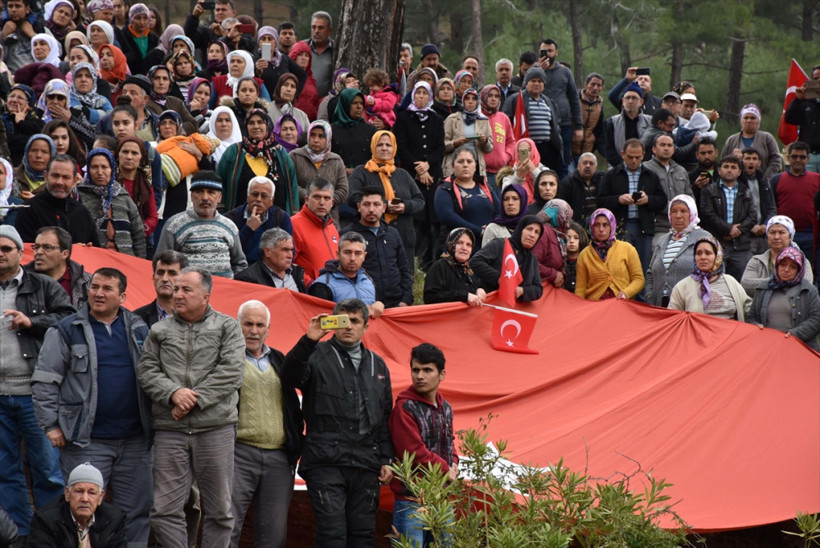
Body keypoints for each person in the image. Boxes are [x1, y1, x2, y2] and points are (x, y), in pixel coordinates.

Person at [32, 267, 152, 546]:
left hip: (136, 440)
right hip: (86, 441)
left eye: (107, 288)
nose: (98, 293)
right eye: (94, 287)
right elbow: (45, 381)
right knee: (81, 512)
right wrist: (50, 425)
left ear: (123, 296)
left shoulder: (139, 328)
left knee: (136, 512)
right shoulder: (65, 329)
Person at [138, 267, 245, 547]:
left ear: (206, 297)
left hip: (215, 429)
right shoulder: (159, 330)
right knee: (163, 510)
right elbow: (147, 370)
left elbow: (231, 372)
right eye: (176, 289)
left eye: (186, 289)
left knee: (220, 511)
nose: (178, 294)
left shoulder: (227, 326)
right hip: (169, 430)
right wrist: (173, 393)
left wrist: (190, 401)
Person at [280, 299, 393, 547]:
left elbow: (385, 417)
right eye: (343, 320)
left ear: (365, 327)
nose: (348, 327)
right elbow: (288, 376)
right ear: (333, 323)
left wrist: (386, 459)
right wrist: (309, 339)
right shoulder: (315, 354)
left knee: (363, 537)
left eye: (355, 321)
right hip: (325, 461)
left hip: (366, 462)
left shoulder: (378, 365)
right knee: (332, 534)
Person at [0, 225, 73, 541]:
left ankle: (51, 536)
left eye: (6, 248)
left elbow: (70, 321)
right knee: (5, 473)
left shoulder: (44, 285)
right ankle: (20, 537)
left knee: (48, 472)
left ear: (20, 252)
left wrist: (32, 323)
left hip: (36, 395)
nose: (0, 254)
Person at [230, 300, 303, 548]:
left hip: (279, 459)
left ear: (268, 329)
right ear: (237, 326)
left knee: (273, 535)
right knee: (226, 527)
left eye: (260, 325)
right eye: (248, 324)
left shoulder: (281, 361)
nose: (253, 330)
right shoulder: (226, 359)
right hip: (237, 454)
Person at [389, 343, 458, 547]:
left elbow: (449, 441)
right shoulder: (404, 407)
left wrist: (454, 461)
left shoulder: (445, 407)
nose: (420, 376)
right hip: (411, 501)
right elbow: (413, 452)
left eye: (427, 370)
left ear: (441, 374)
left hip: (442, 499)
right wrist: (446, 469)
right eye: (415, 369)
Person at [347, 130, 425, 267]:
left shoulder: (402, 174)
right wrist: (384, 206)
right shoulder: (362, 172)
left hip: (403, 235)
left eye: (388, 145)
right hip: (371, 234)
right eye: (380, 145)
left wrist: (404, 206)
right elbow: (353, 198)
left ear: (394, 148)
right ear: (373, 147)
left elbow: (420, 200)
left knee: (404, 277)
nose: (384, 148)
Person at [155, 170, 248, 278]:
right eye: (199, 192)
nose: (205, 197)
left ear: (219, 197)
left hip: (225, 292)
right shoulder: (174, 225)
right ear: (191, 196)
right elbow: (161, 264)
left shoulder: (230, 226)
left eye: (211, 192)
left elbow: (240, 265)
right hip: (187, 292)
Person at [393, 81, 445, 269]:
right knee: (416, 219)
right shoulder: (404, 117)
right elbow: (401, 146)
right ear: (413, 95)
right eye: (418, 93)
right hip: (411, 176)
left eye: (425, 93)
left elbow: (440, 147)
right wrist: (419, 168)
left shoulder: (437, 119)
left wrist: (428, 165)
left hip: (433, 176)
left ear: (430, 96)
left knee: (434, 220)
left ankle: (432, 263)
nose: (421, 96)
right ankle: (413, 263)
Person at [596, 138, 667, 271]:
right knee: (620, 266)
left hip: (644, 227)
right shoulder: (611, 175)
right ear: (623, 154)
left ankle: (642, 292)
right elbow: (600, 201)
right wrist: (618, 199)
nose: (634, 161)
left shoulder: (651, 176)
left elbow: (662, 201)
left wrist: (648, 200)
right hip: (620, 226)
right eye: (630, 157)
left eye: (637, 157)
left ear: (643, 155)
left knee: (643, 267)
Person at [216, 108, 299, 214]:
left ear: (267, 125)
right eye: (251, 123)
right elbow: (219, 183)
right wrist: (222, 212)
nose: (256, 126)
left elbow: (293, 188)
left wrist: (293, 214)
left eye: (260, 122)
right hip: (238, 223)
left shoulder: (281, 153)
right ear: (246, 126)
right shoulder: (234, 152)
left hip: (276, 224)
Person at [27, 463, 127, 548]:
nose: (85, 499)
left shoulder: (114, 519)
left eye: (91, 493)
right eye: (79, 491)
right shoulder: (45, 520)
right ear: (67, 493)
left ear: (100, 497)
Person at [343, 187, 413, 308]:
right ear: (359, 207)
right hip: (365, 306)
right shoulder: (347, 235)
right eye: (366, 204)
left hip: (397, 304)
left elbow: (404, 269)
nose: (371, 209)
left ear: (384, 208)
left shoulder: (393, 233)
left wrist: (406, 299)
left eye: (376, 204)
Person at [15, 154, 100, 246]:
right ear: (46, 176)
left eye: (66, 177)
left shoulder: (82, 213)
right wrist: (71, 251)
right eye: (55, 176)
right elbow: (26, 251)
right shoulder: (29, 210)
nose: (59, 182)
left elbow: (95, 249)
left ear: (75, 181)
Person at [644, 195, 713, 307]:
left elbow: (715, 270)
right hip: (659, 306)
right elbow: (650, 273)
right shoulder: (662, 241)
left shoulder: (704, 238)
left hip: (691, 306)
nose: (678, 216)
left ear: (692, 213)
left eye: (683, 211)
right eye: (674, 211)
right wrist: (649, 296)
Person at [76, 147, 147, 257]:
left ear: (112, 169)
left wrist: (140, 262)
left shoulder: (123, 196)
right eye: (94, 167)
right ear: (88, 170)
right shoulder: (79, 195)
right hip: (93, 259)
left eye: (104, 167)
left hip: (126, 259)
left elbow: (138, 234)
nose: (100, 172)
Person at [748, 247, 820, 351]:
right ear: (777, 265)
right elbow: (751, 317)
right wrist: (756, 326)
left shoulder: (808, 290)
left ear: (799, 270)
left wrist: (795, 334)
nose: (786, 270)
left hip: (800, 348)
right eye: (783, 264)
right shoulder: (763, 287)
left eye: (793, 267)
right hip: (768, 348)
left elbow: (817, 319)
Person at [698, 155, 756, 280]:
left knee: (743, 283)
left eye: (733, 167)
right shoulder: (708, 191)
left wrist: (736, 231)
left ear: (739, 172)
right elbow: (707, 214)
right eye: (726, 166)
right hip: (717, 243)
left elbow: (752, 216)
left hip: (741, 246)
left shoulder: (746, 191)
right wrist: (728, 229)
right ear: (719, 170)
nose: (729, 170)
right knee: (715, 281)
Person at [669, 236, 750, 321]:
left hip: (731, 333)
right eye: (698, 253)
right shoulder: (682, 287)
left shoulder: (731, 282)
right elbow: (672, 319)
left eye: (708, 253)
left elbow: (748, 310)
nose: (703, 257)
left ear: (717, 256)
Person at [769, 141, 820, 274]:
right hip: (784, 235)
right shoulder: (776, 179)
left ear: (808, 159)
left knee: (808, 271)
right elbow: (771, 206)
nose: (798, 160)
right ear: (788, 158)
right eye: (794, 156)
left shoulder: (817, 179)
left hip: (810, 233)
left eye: (802, 157)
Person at [307, 232, 385, 317]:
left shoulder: (368, 281)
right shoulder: (322, 285)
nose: (352, 258)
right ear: (338, 254)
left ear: (364, 256)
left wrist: (379, 304)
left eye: (358, 253)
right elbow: (318, 322)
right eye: (347, 252)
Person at [501, 67, 563, 174]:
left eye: (539, 81)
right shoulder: (515, 99)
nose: (536, 84)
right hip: (525, 149)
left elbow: (556, 126)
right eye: (533, 81)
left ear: (544, 84)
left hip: (547, 149)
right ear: (526, 83)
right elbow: (506, 123)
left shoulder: (550, 102)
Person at [535, 38, 582, 176]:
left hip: (564, 124)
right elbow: (525, 91)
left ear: (556, 52)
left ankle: (561, 194)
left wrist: (578, 126)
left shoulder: (565, 72)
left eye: (550, 50)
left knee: (563, 162)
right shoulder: (535, 71)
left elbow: (574, 98)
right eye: (544, 51)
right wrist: (539, 70)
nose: (548, 54)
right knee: (541, 163)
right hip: (541, 125)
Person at [470, 215, 544, 302]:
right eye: (529, 229)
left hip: (513, 309)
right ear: (520, 229)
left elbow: (538, 289)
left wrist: (522, 291)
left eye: (537, 232)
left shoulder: (532, 259)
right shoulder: (500, 244)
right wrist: (498, 278)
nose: (532, 235)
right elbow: (475, 262)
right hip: (489, 303)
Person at [575, 208, 645, 300]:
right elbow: (580, 290)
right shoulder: (584, 255)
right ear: (591, 226)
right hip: (595, 307)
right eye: (597, 225)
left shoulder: (628, 249)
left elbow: (639, 279)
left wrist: (626, 293)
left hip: (622, 306)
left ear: (612, 226)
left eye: (605, 225)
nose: (601, 229)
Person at [434, 146, 499, 244]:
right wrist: (479, 231)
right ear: (453, 166)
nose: (465, 165)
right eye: (460, 162)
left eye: (469, 161)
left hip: (489, 243)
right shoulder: (445, 189)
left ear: (475, 165)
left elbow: (499, 211)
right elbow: (448, 216)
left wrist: (491, 228)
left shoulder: (485, 186)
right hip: (460, 245)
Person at [290, 120, 349, 227]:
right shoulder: (295, 156)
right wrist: (312, 199)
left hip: (330, 221)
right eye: (313, 135)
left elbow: (343, 190)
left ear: (328, 139)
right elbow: (290, 184)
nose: (316, 140)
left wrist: (325, 202)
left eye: (321, 136)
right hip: (300, 217)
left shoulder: (336, 160)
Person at [224, 176, 292, 265]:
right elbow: (229, 252)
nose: (259, 199)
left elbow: (288, 252)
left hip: (270, 270)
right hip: (241, 270)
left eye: (264, 196)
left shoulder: (281, 218)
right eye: (255, 194)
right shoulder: (231, 218)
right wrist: (248, 229)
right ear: (247, 196)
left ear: (272, 201)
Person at [741, 216, 814, 296]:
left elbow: (805, 286)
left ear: (790, 236)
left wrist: (769, 285)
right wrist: (781, 282)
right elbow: (746, 284)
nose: (776, 237)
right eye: (772, 232)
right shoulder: (757, 260)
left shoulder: (802, 261)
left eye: (781, 232)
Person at [642, 134, 694, 245]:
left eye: (669, 145)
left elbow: (690, 199)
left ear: (673, 149)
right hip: (657, 227)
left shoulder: (681, 170)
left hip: (683, 227)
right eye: (662, 145)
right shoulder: (646, 169)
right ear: (654, 149)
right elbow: (646, 200)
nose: (666, 148)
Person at [25, 226, 92, 309]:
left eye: (47, 247)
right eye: (36, 247)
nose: (38, 252)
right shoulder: (20, 279)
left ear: (64, 254)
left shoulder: (86, 282)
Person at [291, 178, 340, 281]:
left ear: (331, 203)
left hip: (333, 292)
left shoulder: (332, 227)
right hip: (309, 293)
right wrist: (311, 286)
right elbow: (287, 264)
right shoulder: (294, 224)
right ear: (307, 200)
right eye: (317, 197)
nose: (322, 203)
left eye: (326, 198)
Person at [423, 227, 486, 305]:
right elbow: (430, 297)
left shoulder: (469, 269)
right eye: (459, 242)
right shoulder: (440, 266)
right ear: (451, 244)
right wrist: (464, 296)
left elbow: (475, 287)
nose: (464, 248)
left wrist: (479, 289)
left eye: (469, 244)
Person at [235, 227, 306, 292]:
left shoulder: (298, 272)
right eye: (285, 250)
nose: (290, 255)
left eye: (291, 250)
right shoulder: (247, 280)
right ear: (268, 252)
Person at [721, 103, 781, 180]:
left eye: (753, 118)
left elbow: (776, 160)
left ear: (758, 121)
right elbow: (723, 160)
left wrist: (765, 178)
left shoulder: (767, 138)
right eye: (746, 118)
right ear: (741, 120)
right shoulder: (731, 140)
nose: (749, 121)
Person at [134, 249, 188, 326]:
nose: (165, 279)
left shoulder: (198, 317)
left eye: (172, 273)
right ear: (153, 277)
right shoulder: (136, 319)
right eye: (160, 273)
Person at [603, 82, 651, 168]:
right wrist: (624, 165)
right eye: (627, 98)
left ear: (641, 102)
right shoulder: (612, 122)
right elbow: (609, 150)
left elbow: (651, 147)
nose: (630, 101)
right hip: (617, 167)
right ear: (623, 101)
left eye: (634, 98)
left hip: (645, 167)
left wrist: (640, 164)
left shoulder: (650, 122)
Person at [331, 88, 377, 177]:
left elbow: (376, 157)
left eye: (361, 103)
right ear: (345, 104)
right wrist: (344, 170)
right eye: (355, 103)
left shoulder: (370, 130)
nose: (359, 107)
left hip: (366, 177)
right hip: (338, 177)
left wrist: (360, 171)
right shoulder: (331, 130)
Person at [784, 65, 820, 173]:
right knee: (809, 187)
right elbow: (790, 118)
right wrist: (797, 100)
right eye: (816, 79)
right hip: (808, 156)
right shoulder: (806, 102)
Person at [480, 84, 516, 188]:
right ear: (483, 97)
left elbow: (511, 141)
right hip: (483, 172)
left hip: (501, 173)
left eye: (496, 96)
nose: (493, 99)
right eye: (490, 95)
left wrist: (507, 156)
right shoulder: (477, 117)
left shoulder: (503, 117)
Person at [2, 84, 45, 166]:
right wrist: (32, 140)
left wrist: (21, 122)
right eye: (12, 96)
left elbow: (43, 135)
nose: (14, 100)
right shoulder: (2, 120)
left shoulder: (37, 121)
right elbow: (8, 141)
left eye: (20, 98)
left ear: (29, 104)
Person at [533, 198, 571, 288]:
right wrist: (553, 275)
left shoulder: (559, 235)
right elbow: (533, 262)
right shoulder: (544, 232)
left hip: (551, 288)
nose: (567, 222)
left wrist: (562, 275)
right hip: (541, 289)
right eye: (565, 214)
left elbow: (560, 264)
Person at [559, 152, 603, 224]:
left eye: (591, 163)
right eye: (585, 163)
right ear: (578, 166)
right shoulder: (567, 183)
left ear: (595, 168)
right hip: (576, 225)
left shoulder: (602, 180)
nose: (588, 166)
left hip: (598, 224)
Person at [501, 138, 549, 205]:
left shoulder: (544, 170)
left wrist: (534, 171)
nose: (524, 153)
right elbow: (506, 193)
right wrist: (518, 176)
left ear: (534, 151)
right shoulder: (509, 173)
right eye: (520, 151)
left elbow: (547, 188)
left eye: (528, 150)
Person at [13, 133, 55, 200]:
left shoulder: (57, 181)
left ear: (52, 155)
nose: (38, 155)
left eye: (44, 152)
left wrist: (36, 201)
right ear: (26, 153)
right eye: (34, 150)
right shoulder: (11, 176)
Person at [574, 72, 606, 160]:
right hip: (570, 151)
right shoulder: (575, 99)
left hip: (587, 152)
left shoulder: (600, 105)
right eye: (593, 84)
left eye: (599, 85)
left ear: (601, 89)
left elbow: (599, 131)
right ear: (586, 85)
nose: (595, 88)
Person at [304, 10, 333, 98]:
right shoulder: (302, 48)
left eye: (321, 28)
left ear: (329, 30)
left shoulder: (336, 51)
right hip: (303, 103)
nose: (316, 31)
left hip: (326, 104)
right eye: (313, 27)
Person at [688, 137, 719, 203]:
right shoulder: (691, 176)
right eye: (703, 153)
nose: (706, 156)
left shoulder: (723, 172)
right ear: (697, 155)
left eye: (710, 152)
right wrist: (695, 187)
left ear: (716, 153)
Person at [563, 220, 588, 293]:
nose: (571, 241)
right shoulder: (559, 263)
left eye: (576, 238)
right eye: (568, 238)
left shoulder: (587, 261)